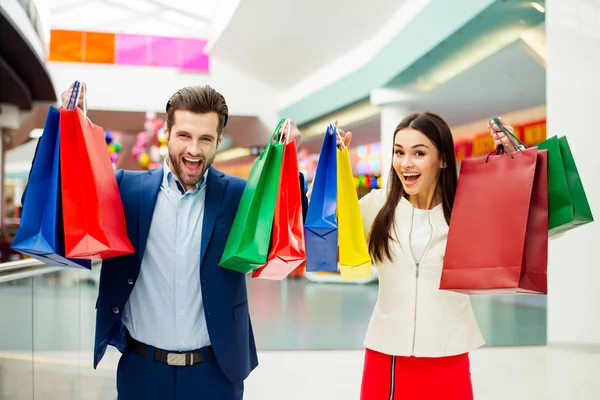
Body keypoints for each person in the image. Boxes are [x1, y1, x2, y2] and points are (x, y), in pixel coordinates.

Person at [59, 83, 306, 400]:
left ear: (218, 140)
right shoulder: (125, 190)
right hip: (141, 371)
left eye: (205, 139)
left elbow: (284, 231)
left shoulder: (238, 195)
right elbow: (68, 210)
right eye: (185, 136)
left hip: (215, 374)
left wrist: (288, 164)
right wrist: (70, 132)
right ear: (167, 132)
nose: (194, 150)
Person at [335, 112, 515, 399]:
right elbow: (318, 225)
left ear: (442, 159)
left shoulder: (467, 210)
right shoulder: (377, 205)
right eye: (398, 152)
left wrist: (516, 163)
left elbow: (531, 225)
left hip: (450, 356)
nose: (405, 163)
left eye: (419, 153)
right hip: (388, 358)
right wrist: (326, 172)